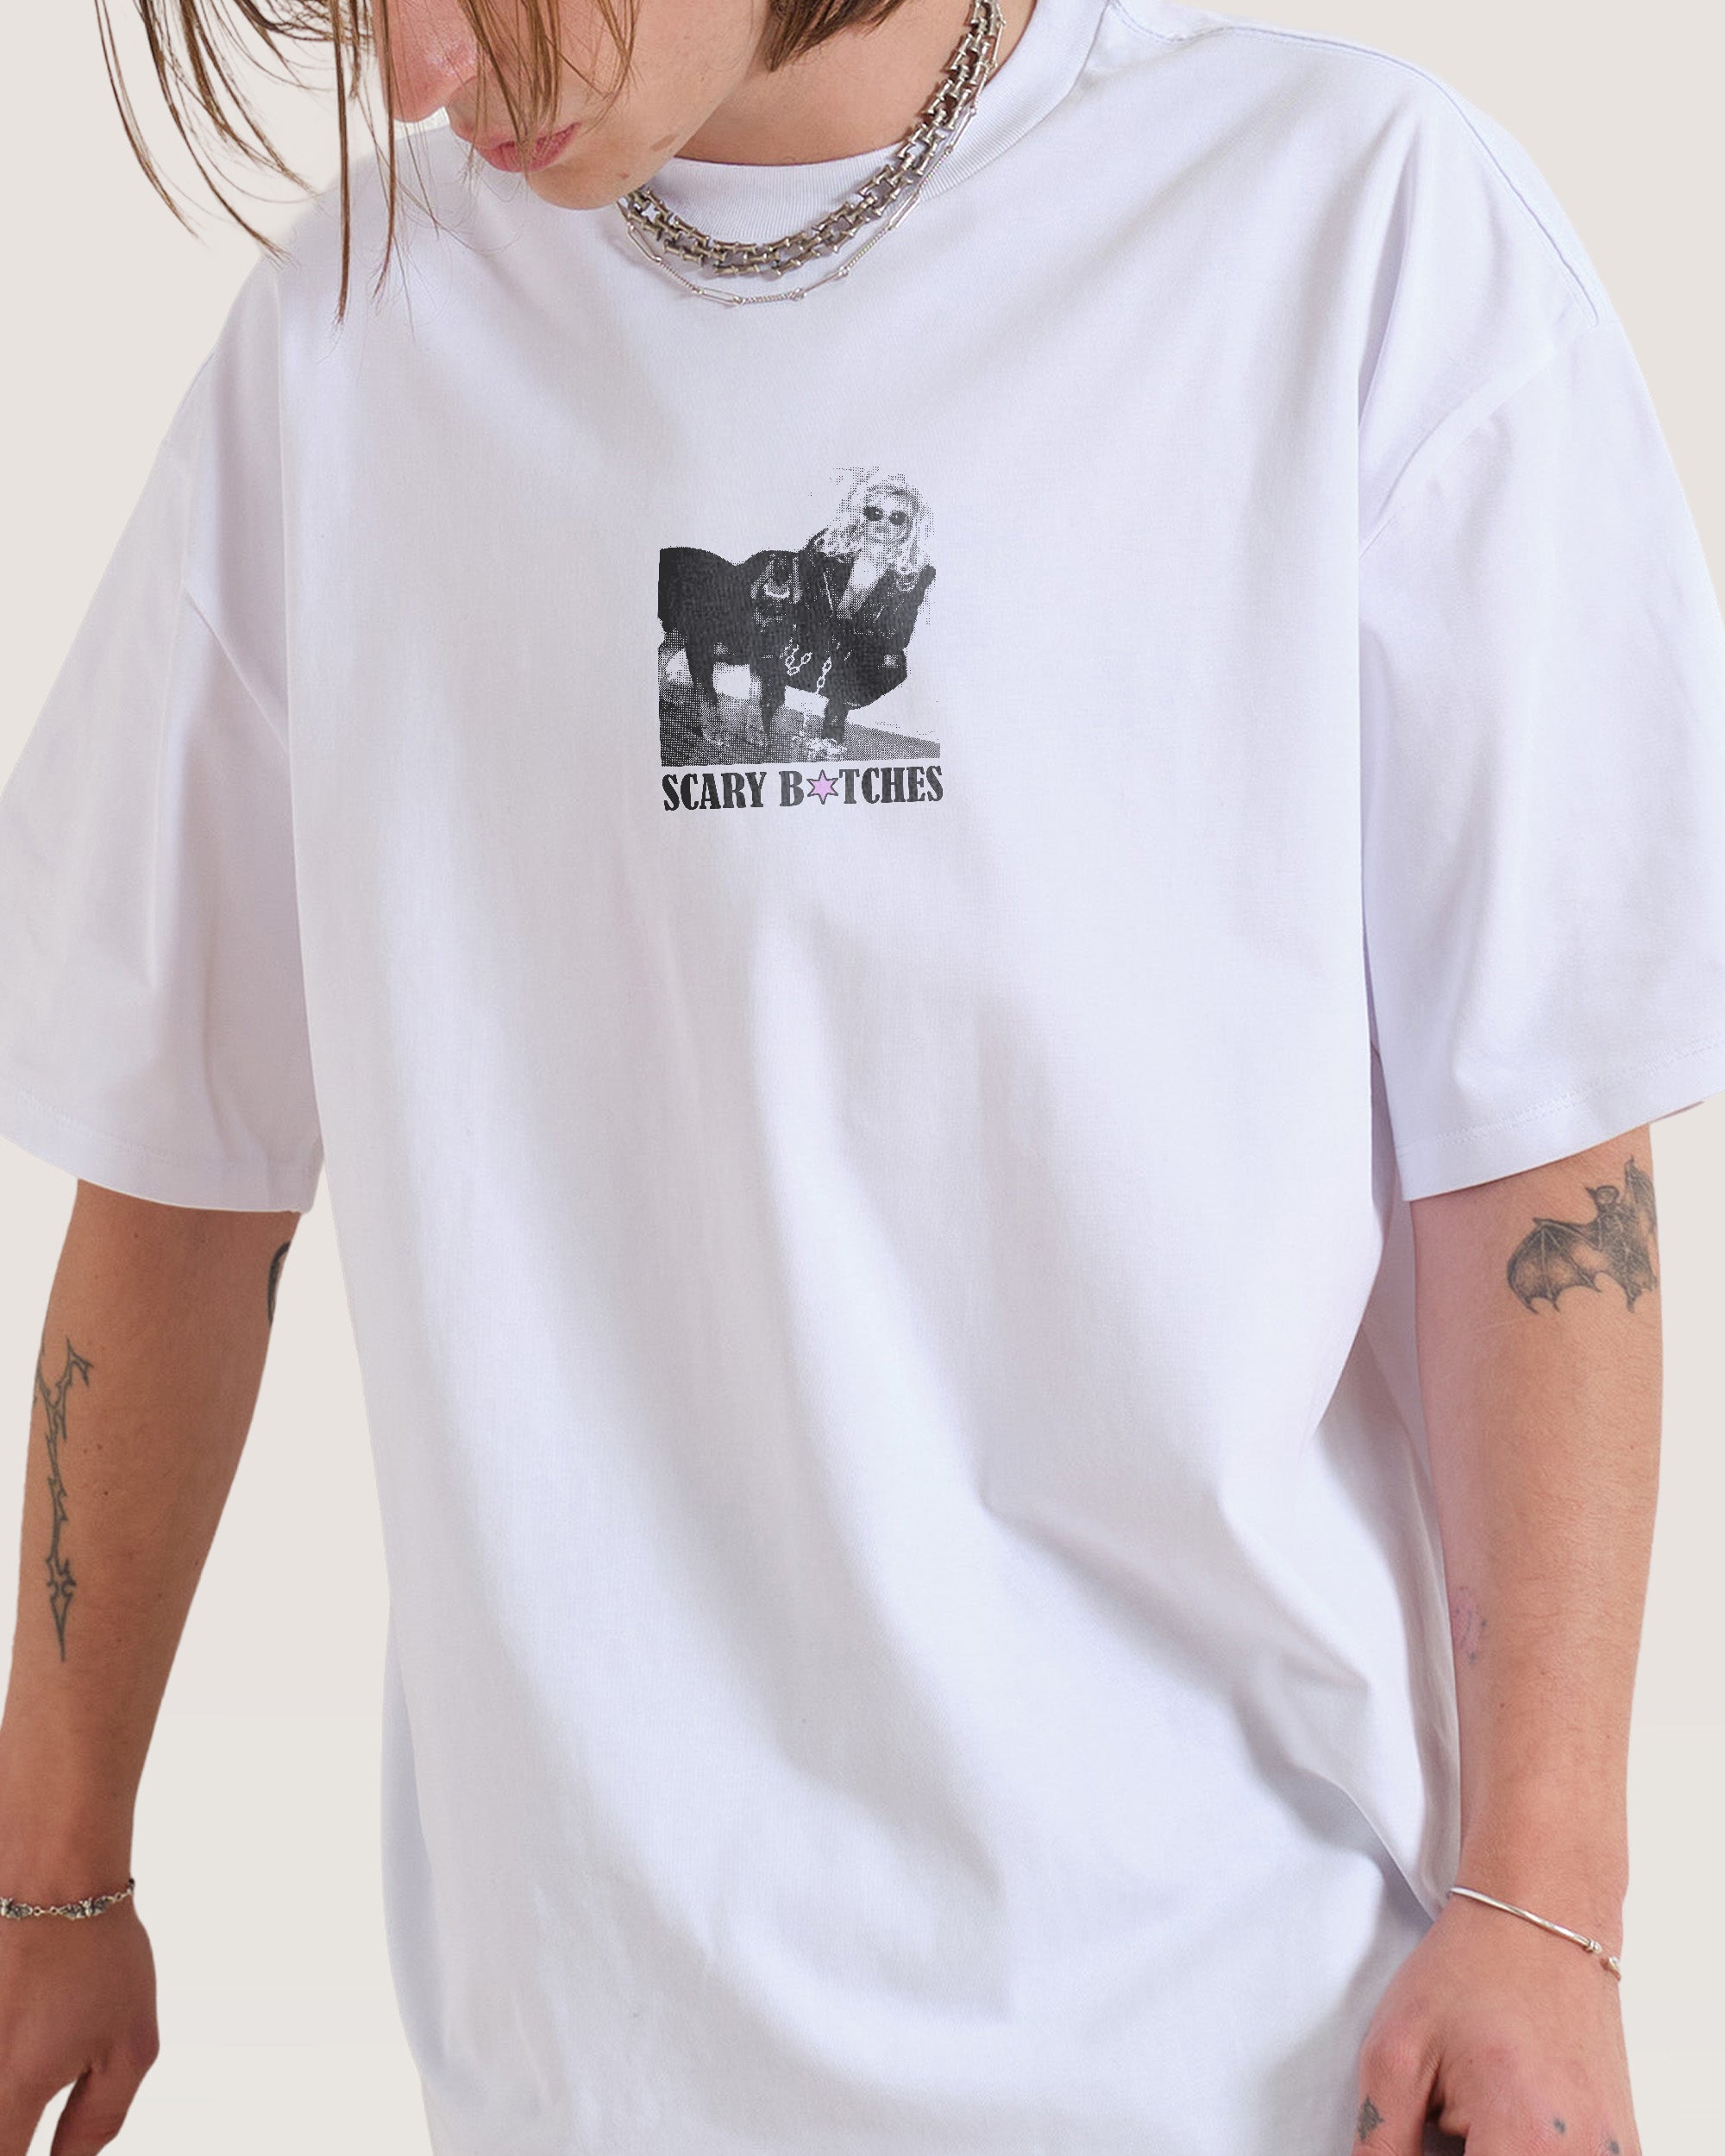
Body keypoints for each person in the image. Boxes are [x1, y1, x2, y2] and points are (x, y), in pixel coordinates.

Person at [0, 0, 1722, 2151]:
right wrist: (50, 1865)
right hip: (581, 2074)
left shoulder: (1346, 231)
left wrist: (1547, 1907)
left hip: (1263, 2046)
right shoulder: (348, 348)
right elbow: (182, 1170)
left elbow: (1532, 1154)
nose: (425, 68)